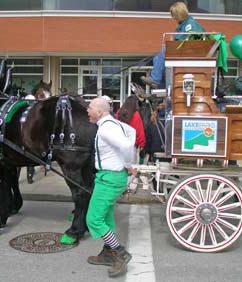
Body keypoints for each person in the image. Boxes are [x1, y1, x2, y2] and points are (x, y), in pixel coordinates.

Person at [86, 97, 136, 278]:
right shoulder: (113, 124)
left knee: (93, 219)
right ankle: (108, 254)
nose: (87, 111)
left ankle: (119, 253)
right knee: (106, 217)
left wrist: (129, 162)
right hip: (110, 177)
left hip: (110, 178)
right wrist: (126, 163)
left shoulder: (106, 128)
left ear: (99, 111)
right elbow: (132, 132)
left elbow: (126, 144)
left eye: (90, 107)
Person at [141, 1, 205, 89]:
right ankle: (159, 85)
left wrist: (174, 41)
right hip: (184, 50)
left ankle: (155, 79)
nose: (173, 17)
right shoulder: (183, 24)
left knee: (164, 52)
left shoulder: (190, 24)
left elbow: (189, 39)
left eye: (174, 15)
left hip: (189, 52)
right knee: (158, 57)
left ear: (179, 14)